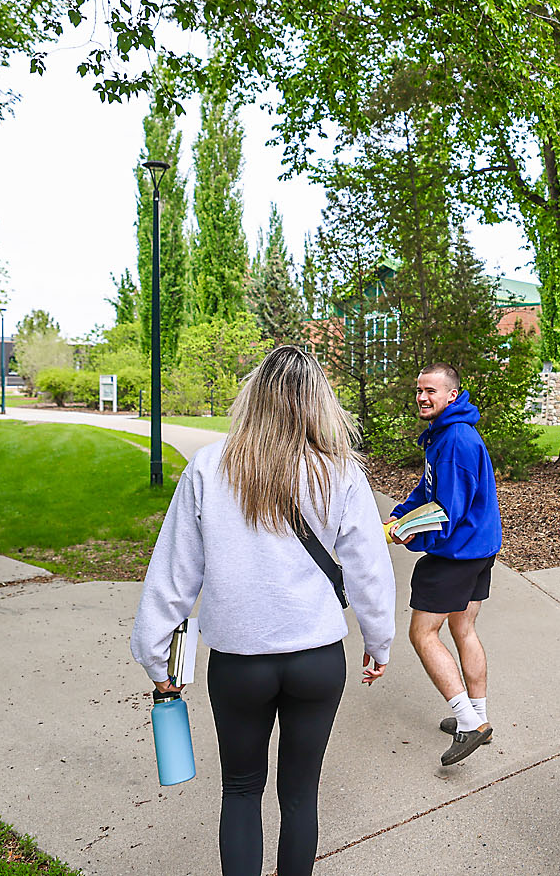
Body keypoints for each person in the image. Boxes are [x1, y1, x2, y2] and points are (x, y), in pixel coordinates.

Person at [130, 345, 396, 876]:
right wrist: (377, 640)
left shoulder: (210, 467)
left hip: (238, 661)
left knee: (241, 790)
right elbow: (369, 569)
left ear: (253, 399)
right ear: (317, 403)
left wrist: (157, 656)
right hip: (317, 659)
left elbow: (174, 575)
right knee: (300, 794)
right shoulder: (339, 472)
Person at [388, 361, 502, 766]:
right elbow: (429, 489)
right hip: (478, 548)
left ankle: (468, 724)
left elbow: (445, 513)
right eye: (419, 390)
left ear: (452, 394)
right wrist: (401, 514)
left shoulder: (455, 440)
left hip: (457, 553)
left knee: (422, 633)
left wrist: (411, 534)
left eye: (431, 391)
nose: (422, 397)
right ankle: (480, 719)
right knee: (463, 627)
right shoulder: (447, 432)